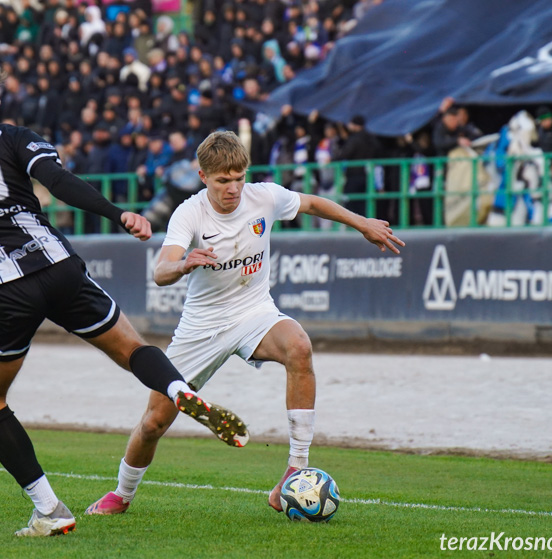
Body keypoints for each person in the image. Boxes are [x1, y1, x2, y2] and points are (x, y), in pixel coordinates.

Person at [0, 59, 249, 537]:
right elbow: (61, 182)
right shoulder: (12, 136)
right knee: (133, 349)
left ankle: (49, 510)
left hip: (6, 288)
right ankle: (180, 390)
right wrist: (119, 214)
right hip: (59, 266)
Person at [85, 130, 404, 516]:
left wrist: (362, 223)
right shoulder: (189, 213)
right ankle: (121, 494)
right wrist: (184, 262)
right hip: (201, 329)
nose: (233, 188)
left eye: (239, 178)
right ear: (204, 177)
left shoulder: (263, 197)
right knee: (153, 422)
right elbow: (161, 270)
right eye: (223, 181)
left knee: (299, 346)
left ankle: (294, 471)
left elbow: (313, 203)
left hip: (254, 313)